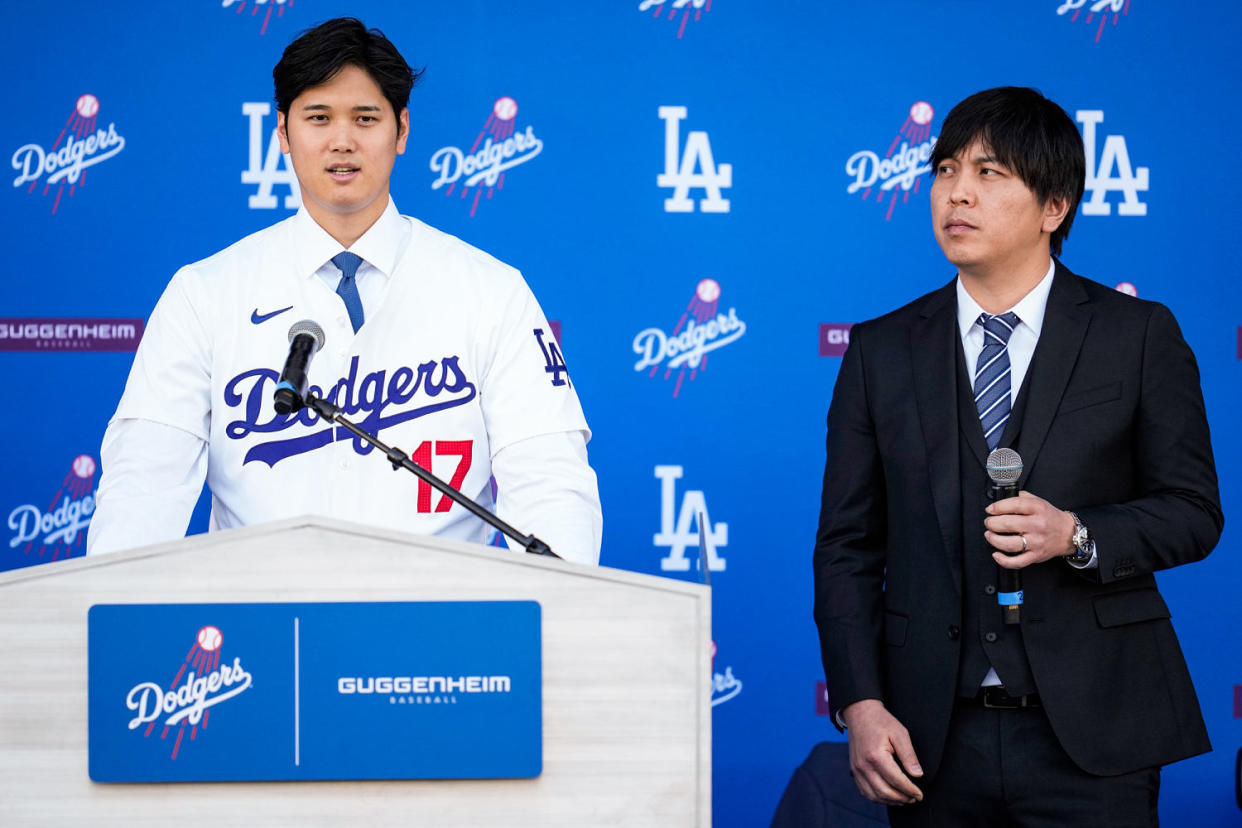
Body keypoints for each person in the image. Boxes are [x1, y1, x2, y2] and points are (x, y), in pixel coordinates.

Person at [813, 86, 1222, 826]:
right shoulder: (880, 351)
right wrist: (862, 703)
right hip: (932, 740)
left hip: (1097, 734)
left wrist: (1078, 534)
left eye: (989, 173)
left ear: (1054, 206)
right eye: (944, 171)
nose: (956, 193)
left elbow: (1193, 512)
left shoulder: (1136, 336)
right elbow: (846, 547)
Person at [87, 18, 602, 565]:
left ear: (401, 130)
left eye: (365, 118)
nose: (342, 141)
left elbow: (550, 482)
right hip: (259, 629)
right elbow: (142, 490)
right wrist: (106, 624)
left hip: (442, 627)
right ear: (282, 132)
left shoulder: (491, 292)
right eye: (318, 117)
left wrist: (562, 617)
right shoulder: (205, 294)